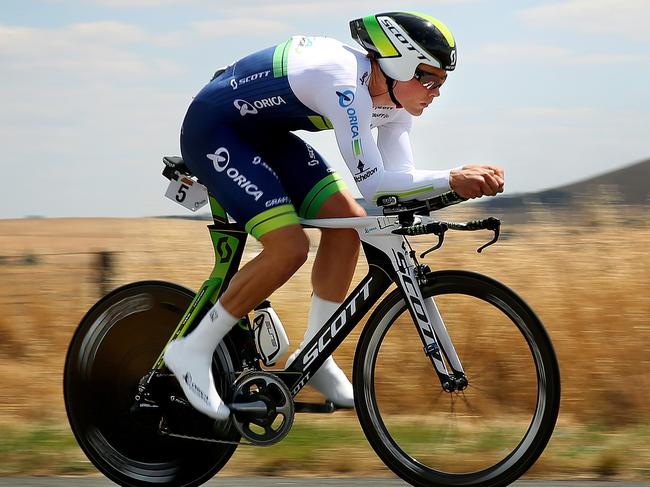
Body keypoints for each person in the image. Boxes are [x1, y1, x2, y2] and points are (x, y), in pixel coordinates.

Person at [164, 11, 505, 419]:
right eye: (428, 78)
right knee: (289, 248)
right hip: (214, 131)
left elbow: (400, 181)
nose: (435, 92)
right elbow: (376, 184)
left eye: (442, 83)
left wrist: (448, 188)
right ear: (397, 63)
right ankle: (192, 349)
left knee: (345, 228)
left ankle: (315, 356)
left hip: (265, 136)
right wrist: (452, 178)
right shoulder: (345, 85)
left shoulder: (394, 103)